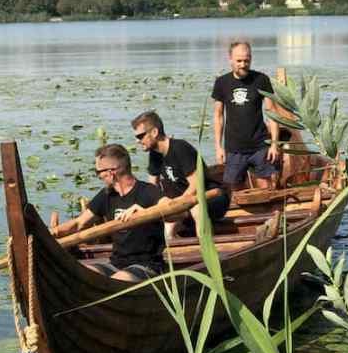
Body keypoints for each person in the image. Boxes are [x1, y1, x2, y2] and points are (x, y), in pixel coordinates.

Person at [50, 144, 167, 282]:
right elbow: (78, 223)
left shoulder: (147, 191)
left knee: (117, 280)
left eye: (98, 172)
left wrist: (145, 212)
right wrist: (53, 233)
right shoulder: (107, 195)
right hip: (116, 264)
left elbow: (174, 211)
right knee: (82, 276)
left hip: (147, 265)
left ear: (111, 173)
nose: (98, 176)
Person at [131, 111, 230, 239]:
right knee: (168, 224)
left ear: (154, 132)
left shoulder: (180, 148)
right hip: (184, 202)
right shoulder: (155, 155)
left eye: (140, 136)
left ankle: (206, 251)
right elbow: (151, 188)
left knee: (196, 208)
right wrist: (141, 207)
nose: (138, 141)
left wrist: (176, 205)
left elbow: (195, 186)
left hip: (213, 197)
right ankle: (175, 254)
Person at [212, 40, 281, 189]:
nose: (243, 64)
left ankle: (270, 212)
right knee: (232, 191)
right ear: (230, 58)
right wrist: (218, 147)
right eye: (239, 61)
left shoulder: (261, 80)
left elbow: (272, 113)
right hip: (234, 148)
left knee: (267, 187)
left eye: (246, 60)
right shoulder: (221, 83)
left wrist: (274, 144)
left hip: (260, 146)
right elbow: (218, 116)